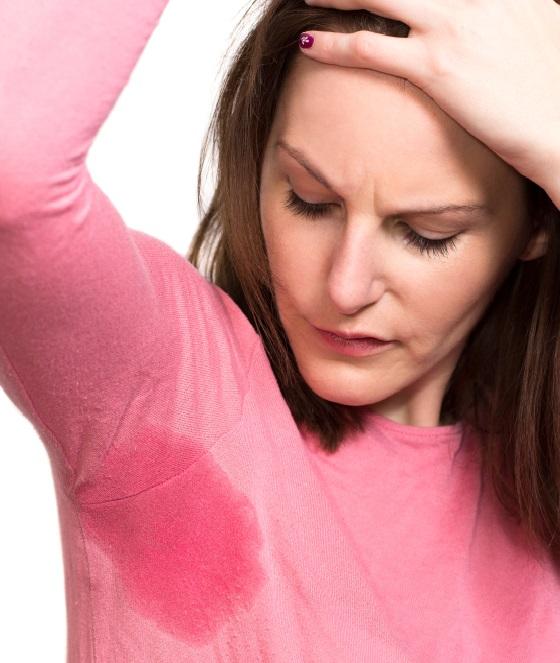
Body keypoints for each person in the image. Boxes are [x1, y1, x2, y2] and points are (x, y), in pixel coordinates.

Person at [0, 0, 559, 660]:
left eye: (425, 233)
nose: (346, 286)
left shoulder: (539, 478)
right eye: (308, 200)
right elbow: (13, 177)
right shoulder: (170, 388)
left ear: (538, 223)